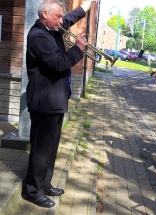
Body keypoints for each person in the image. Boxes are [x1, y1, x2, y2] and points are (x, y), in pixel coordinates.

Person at [24, 0, 92, 208]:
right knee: (41, 149)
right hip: (44, 102)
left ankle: (45, 184)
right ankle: (33, 191)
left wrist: (84, 8)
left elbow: (68, 18)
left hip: (56, 101)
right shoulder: (38, 36)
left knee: (51, 148)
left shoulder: (52, 28)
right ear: (44, 14)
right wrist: (78, 49)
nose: (61, 21)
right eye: (57, 16)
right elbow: (57, 64)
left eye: (61, 16)